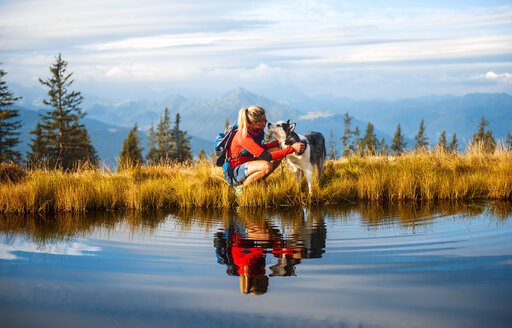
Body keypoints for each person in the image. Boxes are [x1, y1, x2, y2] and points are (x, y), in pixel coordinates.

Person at [228, 105, 304, 192]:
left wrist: (274, 143)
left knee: (277, 150)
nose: (266, 121)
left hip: (249, 162)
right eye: (263, 120)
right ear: (254, 123)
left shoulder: (256, 130)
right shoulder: (244, 136)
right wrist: (291, 149)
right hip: (235, 172)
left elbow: (257, 148)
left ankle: (258, 181)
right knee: (267, 166)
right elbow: (265, 156)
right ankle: (240, 189)